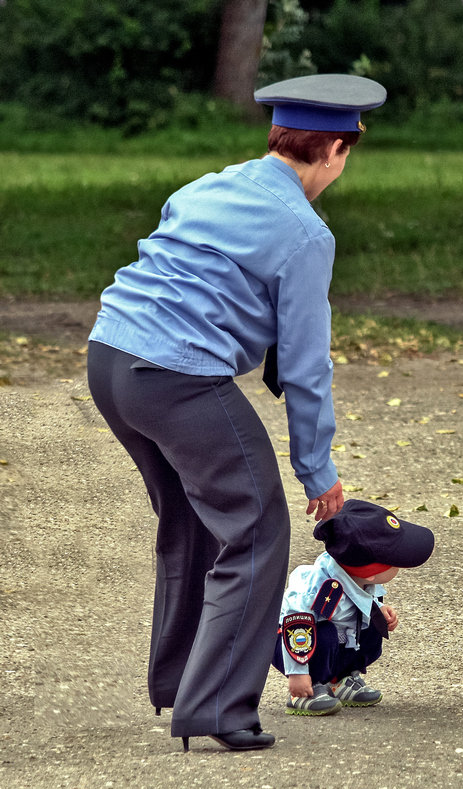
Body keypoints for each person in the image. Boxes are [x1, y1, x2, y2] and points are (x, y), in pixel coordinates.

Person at [85, 74, 387, 751]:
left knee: (193, 519)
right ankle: (218, 708)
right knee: (254, 531)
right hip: (174, 377)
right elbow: (308, 367)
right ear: (337, 149)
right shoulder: (306, 234)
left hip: (109, 356)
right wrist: (317, 471)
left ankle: (179, 684)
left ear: (278, 135)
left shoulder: (205, 187)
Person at [274, 500, 435, 716]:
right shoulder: (319, 590)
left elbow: (360, 599)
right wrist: (297, 673)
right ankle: (306, 691)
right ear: (370, 573)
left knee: (372, 628)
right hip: (294, 642)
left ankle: (340, 679)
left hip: (340, 637)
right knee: (326, 635)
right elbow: (297, 628)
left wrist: (378, 609)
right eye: (395, 563)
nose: (399, 567)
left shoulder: (356, 575)